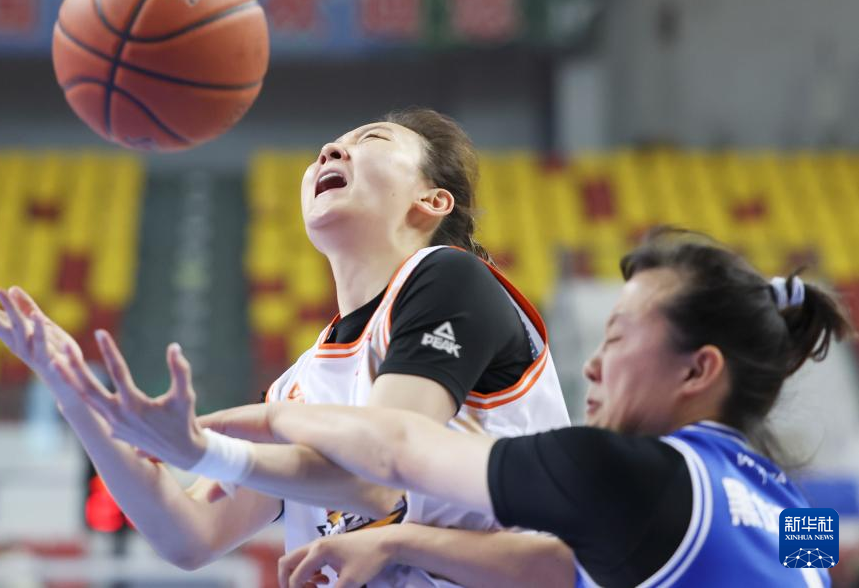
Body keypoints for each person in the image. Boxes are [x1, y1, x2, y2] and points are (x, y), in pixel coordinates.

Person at [0, 108, 570, 585]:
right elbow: (188, 536)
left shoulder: (449, 276)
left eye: (372, 140)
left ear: (431, 201)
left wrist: (208, 452)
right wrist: (74, 395)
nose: (331, 150)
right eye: (330, 145)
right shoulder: (300, 383)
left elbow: (380, 477)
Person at [193, 228, 854, 587]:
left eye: (617, 338)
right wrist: (396, 539)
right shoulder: (795, 508)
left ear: (697, 369)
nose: (593, 364)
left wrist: (232, 432)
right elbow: (560, 569)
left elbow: (395, 449)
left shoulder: (629, 473)